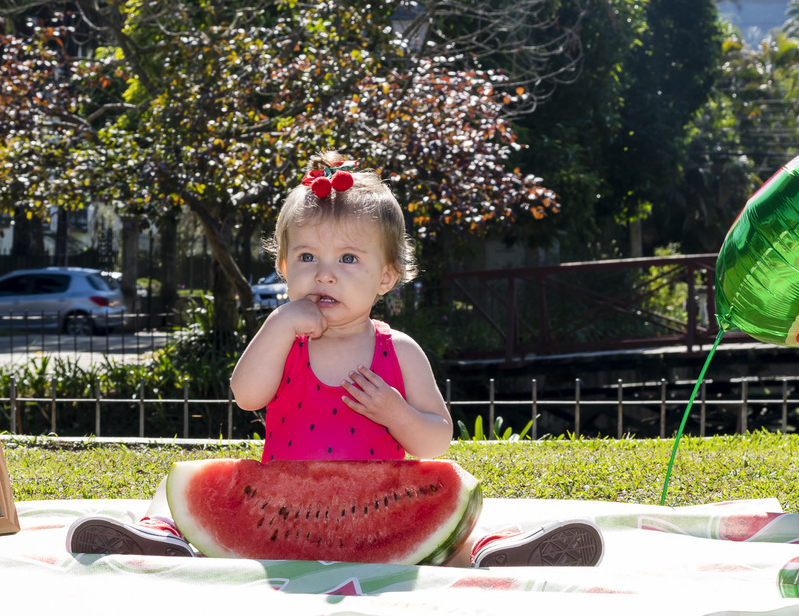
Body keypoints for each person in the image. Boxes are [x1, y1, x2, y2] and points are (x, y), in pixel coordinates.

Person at [66, 152, 603, 568]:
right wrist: (276, 326)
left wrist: (396, 413)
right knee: (179, 485)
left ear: (386, 277)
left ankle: (493, 551)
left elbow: (437, 441)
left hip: (382, 514)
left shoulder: (400, 352)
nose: (325, 273)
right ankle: (161, 539)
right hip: (279, 515)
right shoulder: (285, 341)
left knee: (457, 504)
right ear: (282, 267)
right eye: (307, 257)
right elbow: (247, 396)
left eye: (348, 259)